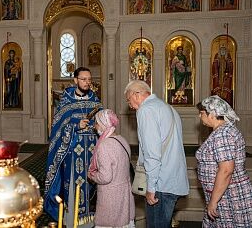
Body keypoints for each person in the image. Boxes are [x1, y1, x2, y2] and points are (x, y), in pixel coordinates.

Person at [124, 80, 189, 228]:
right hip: (174, 180)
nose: (130, 106)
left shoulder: (146, 110)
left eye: (129, 100)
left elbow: (152, 153)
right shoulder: (168, 107)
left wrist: (151, 187)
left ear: (136, 94)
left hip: (160, 183)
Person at [44, 67, 102, 228]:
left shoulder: (95, 101)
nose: (87, 82)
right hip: (72, 152)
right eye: (83, 79)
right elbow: (57, 128)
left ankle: (90, 219)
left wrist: (95, 125)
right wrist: (76, 125)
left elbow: (103, 123)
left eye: (89, 79)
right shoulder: (65, 101)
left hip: (92, 151)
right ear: (75, 80)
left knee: (93, 184)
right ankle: (72, 218)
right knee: (73, 185)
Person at [196, 95, 252, 227]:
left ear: (213, 114)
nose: (199, 116)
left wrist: (214, 201)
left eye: (201, 113)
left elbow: (226, 170)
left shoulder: (223, 135)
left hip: (229, 196)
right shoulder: (224, 131)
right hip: (224, 194)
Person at [88, 109, 135, 228]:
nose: (95, 126)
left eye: (97, 122)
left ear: (104, 123)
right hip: (124, 194)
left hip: (110, 197)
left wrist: (92, 175)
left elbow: (105, 177)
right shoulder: (122, 139)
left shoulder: (104, 145)